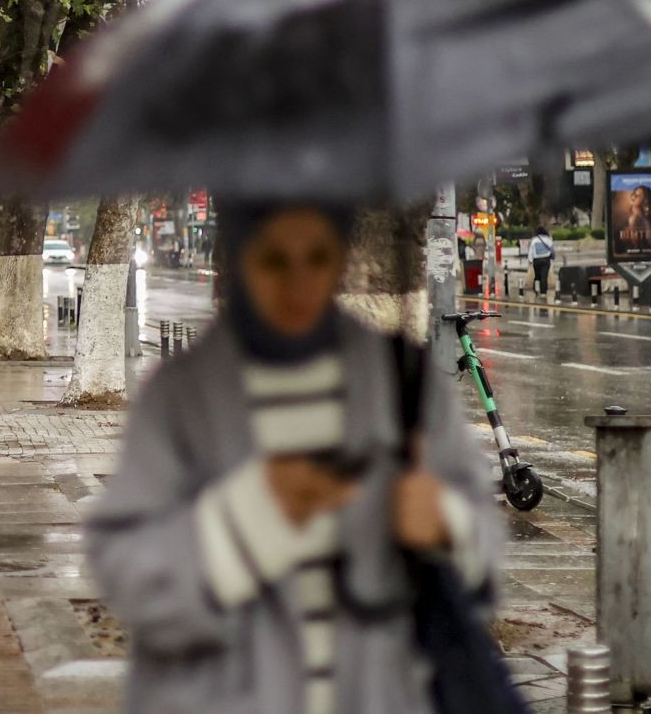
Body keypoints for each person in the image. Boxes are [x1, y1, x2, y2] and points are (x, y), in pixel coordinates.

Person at [85, 203, 499, 714]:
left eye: (318, 256)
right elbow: (127, 569)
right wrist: (253, 512)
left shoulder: (403, 380)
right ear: (238, 260)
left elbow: (484, 547)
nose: (299, 282)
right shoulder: (181, 397)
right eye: (275, 260)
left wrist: (443, 522)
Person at [528, 225, 555, 295]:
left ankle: (536, 290)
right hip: (546, 260)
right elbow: (552, 250)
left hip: (536, 260)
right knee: (544, 276)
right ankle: (543, 292)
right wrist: (553, 257)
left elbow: (531, 251)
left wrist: (530, 260)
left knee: (537, 276)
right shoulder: (548, 239)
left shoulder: (534, 240)